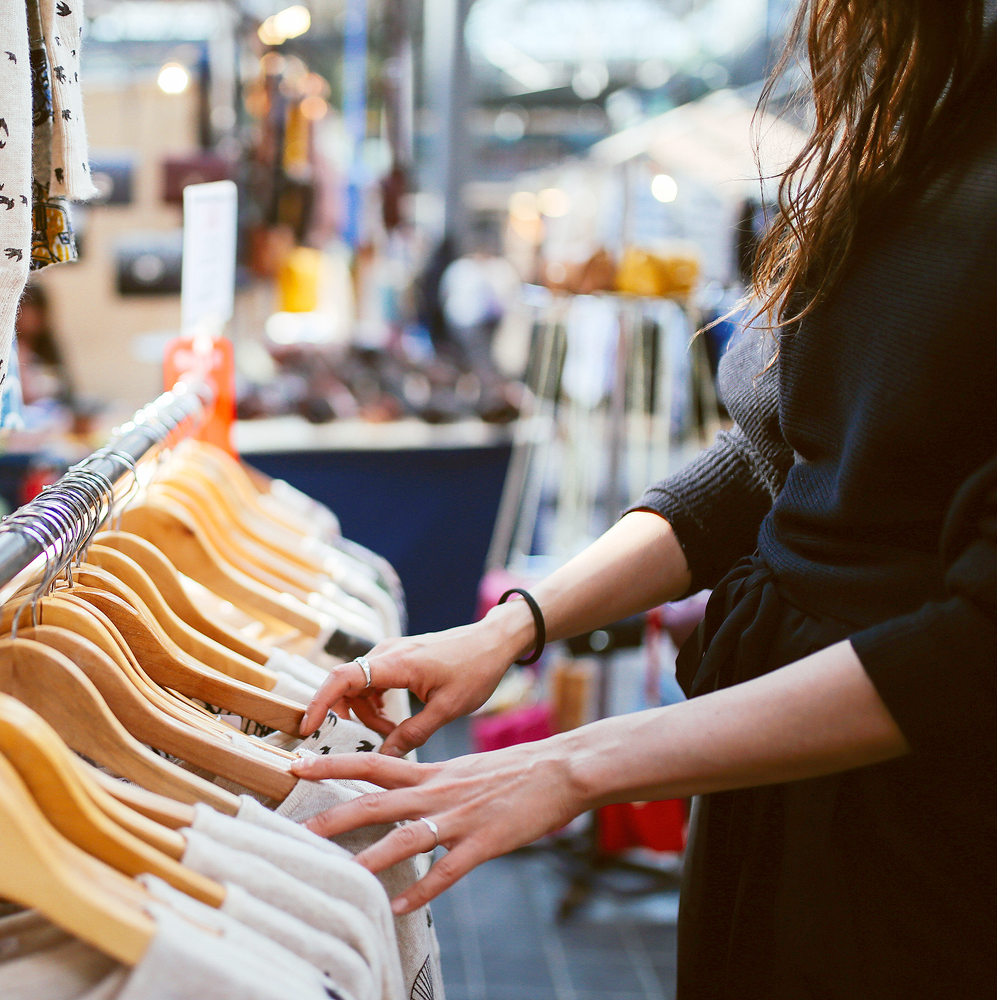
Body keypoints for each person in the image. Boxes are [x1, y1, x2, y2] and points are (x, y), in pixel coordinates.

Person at [289, 3, 997, 998]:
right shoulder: (911, 116)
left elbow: (976, 647)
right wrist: (512, 628)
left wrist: (576, 765)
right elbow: (772, 461)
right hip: (771, 784)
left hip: (917, 822)